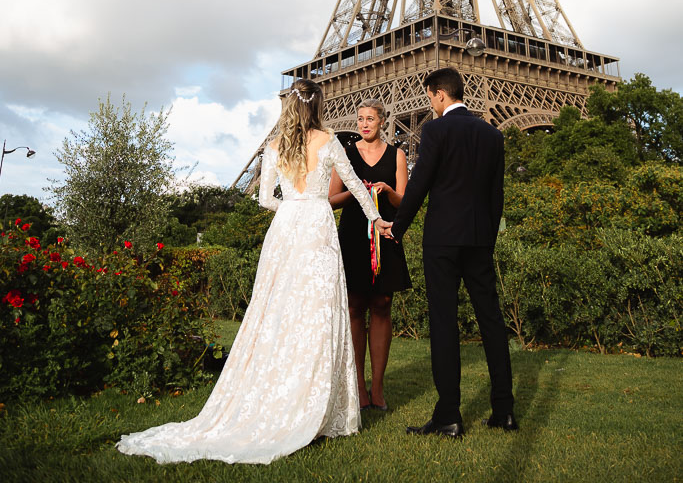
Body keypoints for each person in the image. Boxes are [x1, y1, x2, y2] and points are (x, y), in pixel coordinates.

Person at [117, 79, 391, 465]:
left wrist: (292, 210)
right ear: (318, 106)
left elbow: (265, 199)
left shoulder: (275, 145)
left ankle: (277, 392)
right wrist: (376, 219)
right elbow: (358, 190)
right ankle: (318, 404)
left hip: (286, 230)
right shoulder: (329, 140)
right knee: (319, 313)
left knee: (275, 312)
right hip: (317, 228)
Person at [382, 67, 516, 438]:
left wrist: (398, 225)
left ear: (440, 94)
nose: (430, 104)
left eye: (430, 97)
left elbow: (420, 182)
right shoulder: (492, 134)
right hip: (479, 239)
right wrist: (487, 237)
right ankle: (503, 410)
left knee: (444, 323)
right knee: (491, 321)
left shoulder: (436, 130)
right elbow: (496, 194)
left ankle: (448, 416)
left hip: (442, 239)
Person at [329, 100, 411, 411]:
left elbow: (403, 201)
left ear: (382, 122)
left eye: (370, 119)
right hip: (353, 235)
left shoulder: (397, 155)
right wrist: (357, 192)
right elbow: (331, 199)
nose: (364, 124)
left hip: (385, 233)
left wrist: (388, 192)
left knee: (382, 304)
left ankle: (378, 387)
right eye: (360, 119)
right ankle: (359, 387)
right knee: (354, 306)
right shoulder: (345, 154)